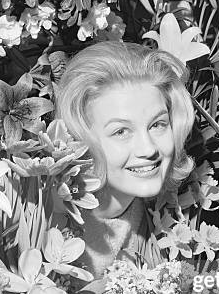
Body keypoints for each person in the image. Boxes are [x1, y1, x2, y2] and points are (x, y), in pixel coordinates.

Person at [56, 41, 195, 278]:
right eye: (121, 131)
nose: (148, 148)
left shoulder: (166, 220)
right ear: (81, 138)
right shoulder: (41, 219)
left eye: (158, 125)